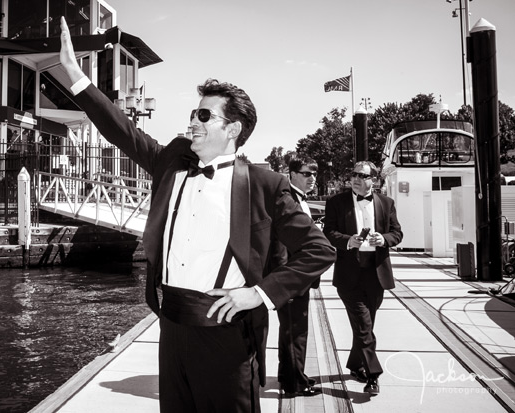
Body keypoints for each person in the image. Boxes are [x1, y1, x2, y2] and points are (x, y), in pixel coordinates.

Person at [59, 16, 336, 413]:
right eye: (194, 112)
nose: (193, 120)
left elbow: (319, 250)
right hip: (171, 324)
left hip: (226, 331)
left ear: (234, 129)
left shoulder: (265, 184)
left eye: (205, 116)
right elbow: (121, 130)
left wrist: (257, 295)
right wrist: (74, 75)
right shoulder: (171, 161)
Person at [322, 161, 403, 397]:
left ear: (373, 180)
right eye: (353, 175)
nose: (355, 179)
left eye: (362, 175)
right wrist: (348, 240)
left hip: (376, 274)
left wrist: (384, 239)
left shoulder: (387, 203)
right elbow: (329, 232)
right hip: (349, 274)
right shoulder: (336, 202)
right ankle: (373, 375)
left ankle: (355, 365)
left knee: (365, 327)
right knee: (364, 326)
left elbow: (397, 233)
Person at [275, 157, 320, 397]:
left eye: (314, 174)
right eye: (306, 173)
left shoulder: (298, 199)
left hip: (296, 276)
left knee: (291, 331)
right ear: (291, 174)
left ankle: (289, 375)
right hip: (292, 276)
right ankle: (294, 385)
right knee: (296, 332)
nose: (312, 178)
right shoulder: (289, 199)